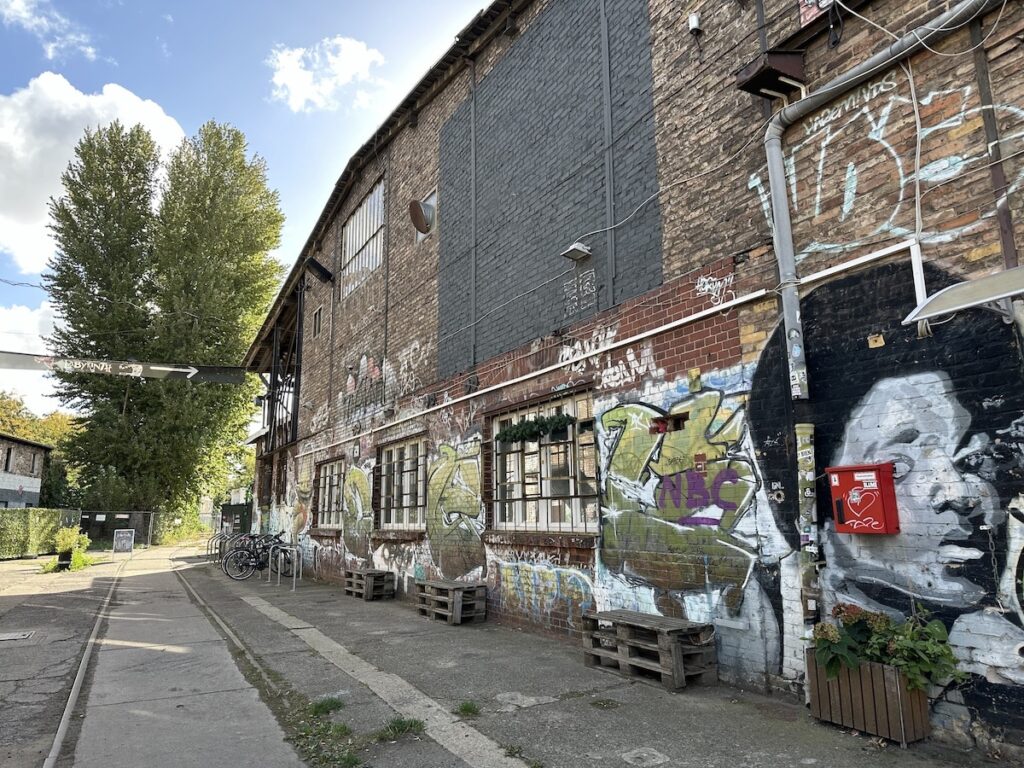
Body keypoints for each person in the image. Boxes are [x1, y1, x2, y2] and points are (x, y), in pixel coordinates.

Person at [749, 259, 1024, 736]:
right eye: (898, 467)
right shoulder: (763, 617)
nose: (962, 495)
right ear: (805, 508)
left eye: (974, 459)